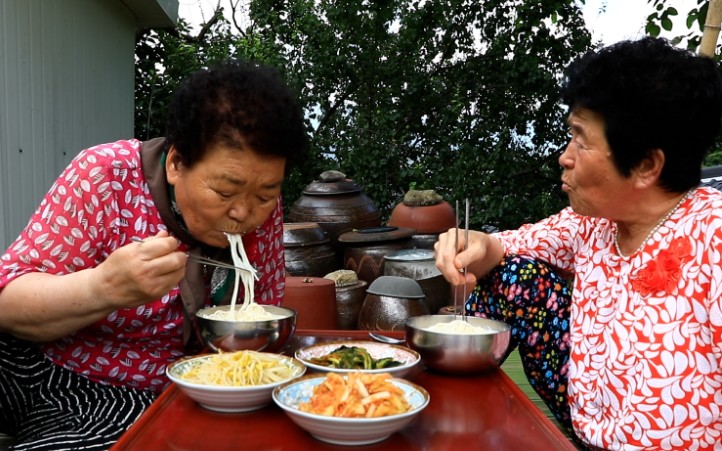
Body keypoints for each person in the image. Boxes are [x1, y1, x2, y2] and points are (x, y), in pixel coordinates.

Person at [0, 59, 308, 449]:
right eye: (225, 192)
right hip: (33, 361)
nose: (244, 213)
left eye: (265, 195)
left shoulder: (261, 212)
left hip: (134, 395)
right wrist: (104, 287)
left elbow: (259, 326)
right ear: (177, 163)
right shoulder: (105, 176)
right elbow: (8, 301)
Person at [435, 37, 722, 451]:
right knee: (515, 274)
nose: (564, 157)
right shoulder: (591, 224)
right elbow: (501, 248)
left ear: (645, 165)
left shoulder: (712, 236)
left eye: (581, 139)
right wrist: (472, 243)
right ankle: (460, 402)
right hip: (589, 431)